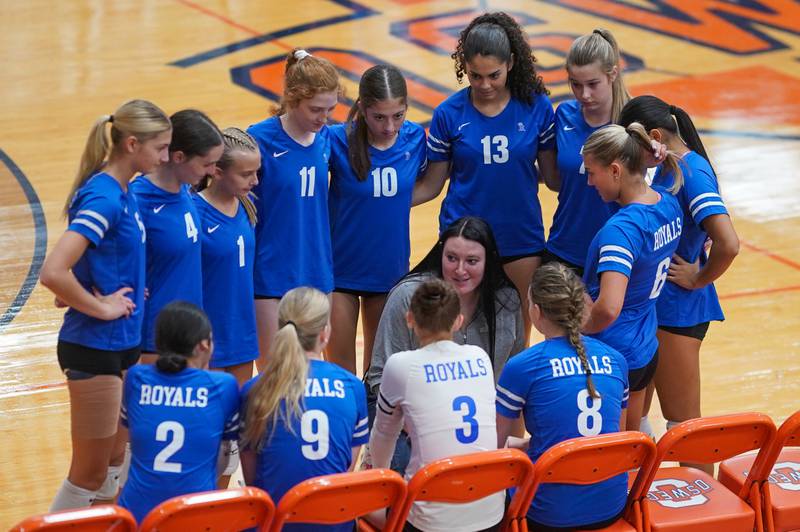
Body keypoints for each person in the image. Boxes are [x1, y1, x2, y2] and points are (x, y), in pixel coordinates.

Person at [40, 99, 171, 510]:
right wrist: (101, 307)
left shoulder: (123, 190)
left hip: (121, 345)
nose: (166, 157)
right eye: (160, 148)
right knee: (88, 474)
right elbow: (53, 271)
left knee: (115, 462)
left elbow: (79, 274)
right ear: (132, 144)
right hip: (95, 347)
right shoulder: (105, 198)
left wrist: (122, 287)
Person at [413, 12, 557, 343]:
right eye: (475, 76)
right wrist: (374, 202)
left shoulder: (536, 107)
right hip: (464, 238)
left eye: (493, 75)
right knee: (459, 334)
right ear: (464, 67)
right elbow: (432, 185)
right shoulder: (449, 113)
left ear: (511, 63)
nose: (485, 85)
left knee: (516, 341)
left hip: (520, 237)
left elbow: (553, 177)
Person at [618, 95, 739, 445]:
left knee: (685, 425)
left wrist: (697, 277)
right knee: (638, 416)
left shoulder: (692, 172)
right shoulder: (672, 167)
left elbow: (728, 244)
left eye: (632, 145)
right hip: (661, 308)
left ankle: (706, 499)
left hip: (680, 311)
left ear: (654, 135)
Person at [364, 216, 524, 473]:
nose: (460, 270)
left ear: (488, 261)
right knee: (406, 471)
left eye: (471, 261)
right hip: (404, 413)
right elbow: (378, 377)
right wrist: (419, 424)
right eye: (451, 258)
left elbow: (512, 382)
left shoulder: (506, 302)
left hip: (469, 417)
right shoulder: (409, 296)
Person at [496, 262, 629, 531]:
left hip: (550, 515)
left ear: (535, 311)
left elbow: (494, 449)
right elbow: (617, 438)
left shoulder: (523, 366)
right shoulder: (616, 360)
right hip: (611, 505)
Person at [370, 279, 503, 532]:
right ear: (458, 321)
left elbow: (383, 437)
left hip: (430, 521)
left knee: (362, 508)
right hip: (492, 514)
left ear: (410, 319)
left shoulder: (401, 365)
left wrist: (379, 480)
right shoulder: (480, 357)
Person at [581, 122, 684, 432]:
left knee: (609, 454)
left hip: (612, 353)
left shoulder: (621, 231)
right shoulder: (668, 203)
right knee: (630, 444)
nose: (588, 182)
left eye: (591, 172)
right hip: (644, 348)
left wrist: (573, 327)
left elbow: (609, 308)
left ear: (615, 170)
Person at [239, 287, 368, 532]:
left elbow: (252, 478)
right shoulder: (351, 386)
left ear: (281, 329)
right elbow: (345, 470)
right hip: (333, 524)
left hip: (275, 524)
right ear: (325, 333)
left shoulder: (255, 389)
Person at [328, 64, 427, 375]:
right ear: (362, 108)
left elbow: (431, 184)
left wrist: (392, 203)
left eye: (398, 115)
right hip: (338, 271)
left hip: (388, 271)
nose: (389, 126)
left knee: (380, 375)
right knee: (342, 374)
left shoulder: (414, 139)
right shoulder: (336, 140)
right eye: (379, 117)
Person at [248, 49, 342, 370]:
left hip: (316, 272)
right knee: (275, 375)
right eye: (316, 109)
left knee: (313, 377)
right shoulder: (258, 140)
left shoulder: (326, 138)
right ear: (291, 98)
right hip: (270, 276)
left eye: (330, 110)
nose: (323, 118)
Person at [117, 302, 239, 523]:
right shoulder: (223, 385)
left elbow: (133, 442)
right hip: (197, 515)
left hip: (138, 516)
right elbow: (225, 456)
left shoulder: (136, 379)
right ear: (204, 345)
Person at [131, 109, 223, 362]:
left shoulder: (185, 191)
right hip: (155, 339)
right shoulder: (138, 199)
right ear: (179, 157)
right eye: (207, 164)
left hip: (191, 335)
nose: (213, 171)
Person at [544, 29, 630, 275]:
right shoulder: (564, 114)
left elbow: (672, 176)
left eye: (593, 84)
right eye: (575, 84)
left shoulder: (634, 119)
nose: (584, 94)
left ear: (612, 74)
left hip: (618, 250)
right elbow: (559, 179)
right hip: (565, 247)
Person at [194, 127, 260, 386]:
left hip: (242, 331)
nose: (254, 180)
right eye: (246, 174)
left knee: (239, 420)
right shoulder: (195, 212)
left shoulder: (246, 204)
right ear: (217, 172)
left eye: (256, 172)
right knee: (211, 420)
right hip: (207, 334)